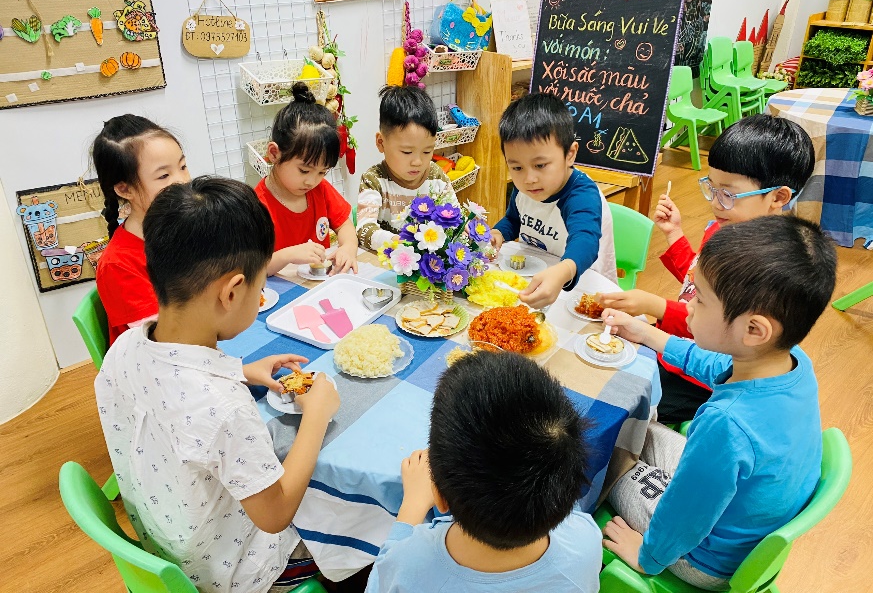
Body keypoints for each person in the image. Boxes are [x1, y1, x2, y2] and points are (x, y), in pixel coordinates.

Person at [95, 176, 340, 593]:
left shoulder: (126, 345)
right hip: (235, 575)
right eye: (261, 286)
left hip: (167, 538)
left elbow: (171, 393)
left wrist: (240, 370)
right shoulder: (226, 410)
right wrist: (316, 416)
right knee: (349, 530)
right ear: (232, 292)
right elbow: (275, 513)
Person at [600, 215, 837, 590]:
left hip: (703, 557)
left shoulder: (726, 424)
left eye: (701, 299)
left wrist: (647, 557)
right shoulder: (791, 361)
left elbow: (687, 516)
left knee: (602, 454)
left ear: (754, 329)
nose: (687, 306)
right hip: (742, 516)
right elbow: (713, 363)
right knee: (636, 428)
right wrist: (646, 333)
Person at [599, 115, 814, 422]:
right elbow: (698, 280)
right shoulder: (723, 227)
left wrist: (656, 307)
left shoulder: (764, 267)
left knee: (620, 402)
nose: (715, 203)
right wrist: (674, 233)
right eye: (711, 188)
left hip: (700, 376)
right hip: (673, 347)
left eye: (728, 194)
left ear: (778, 197)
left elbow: (714, 328)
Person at [365, 351, 602, 592]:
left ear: (439, 497)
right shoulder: (586, 540)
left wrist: (412, 506)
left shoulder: (410, 567)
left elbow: (380, 581)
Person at [491, 93, 616, 308]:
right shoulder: (526, 189)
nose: (529, 179)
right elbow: (514, 220)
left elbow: (585, 240)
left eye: (540, 165)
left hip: (583, 288)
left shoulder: (581, 194)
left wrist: (562, 271)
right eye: (517, 167)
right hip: (537, 279)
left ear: (570, 154)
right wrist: (498, 233)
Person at [92, 115, 191, 345]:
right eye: (164, 175)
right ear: (125, 189)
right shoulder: (118, 265)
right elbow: (166, 342)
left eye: (183, 167)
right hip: (160, 365)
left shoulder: (179, 229)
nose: (183, 181)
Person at [255, 82, 357, 276]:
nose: (312, 181)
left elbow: (344, 223)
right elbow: (254, 270)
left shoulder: (320, 189)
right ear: (274, 153)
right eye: (304, 171)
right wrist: (288, 255)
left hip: (320, 286)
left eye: (322, 172)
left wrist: (348, 247)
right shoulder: (257, 206)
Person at [357, 85, 458, 251]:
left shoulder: (435, 176)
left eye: (427, 151)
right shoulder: (374, 179)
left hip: (425, 267)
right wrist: (395, 241)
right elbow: (364, 230)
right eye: (407, 152)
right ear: (381, 142)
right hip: (385, 264)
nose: (418, 161)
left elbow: (454, 216)